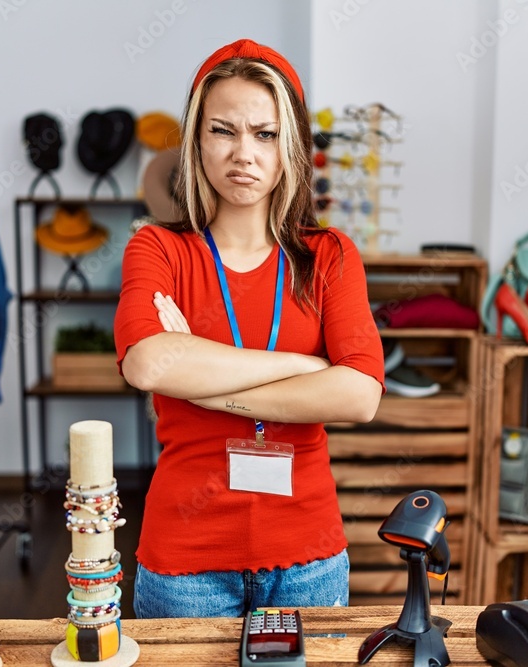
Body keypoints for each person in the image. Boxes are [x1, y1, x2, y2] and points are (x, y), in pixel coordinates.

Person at [114, 38, 385, 619]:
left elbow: (360, 393)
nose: (244, 154)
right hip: (185, 558)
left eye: (264, 134)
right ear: (196, 140)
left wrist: (198, 371)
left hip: (306, 556)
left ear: (290, 146)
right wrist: (302, 367)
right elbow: (146, 363)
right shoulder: (156, 248)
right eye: (223, 130)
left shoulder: (329, 256)